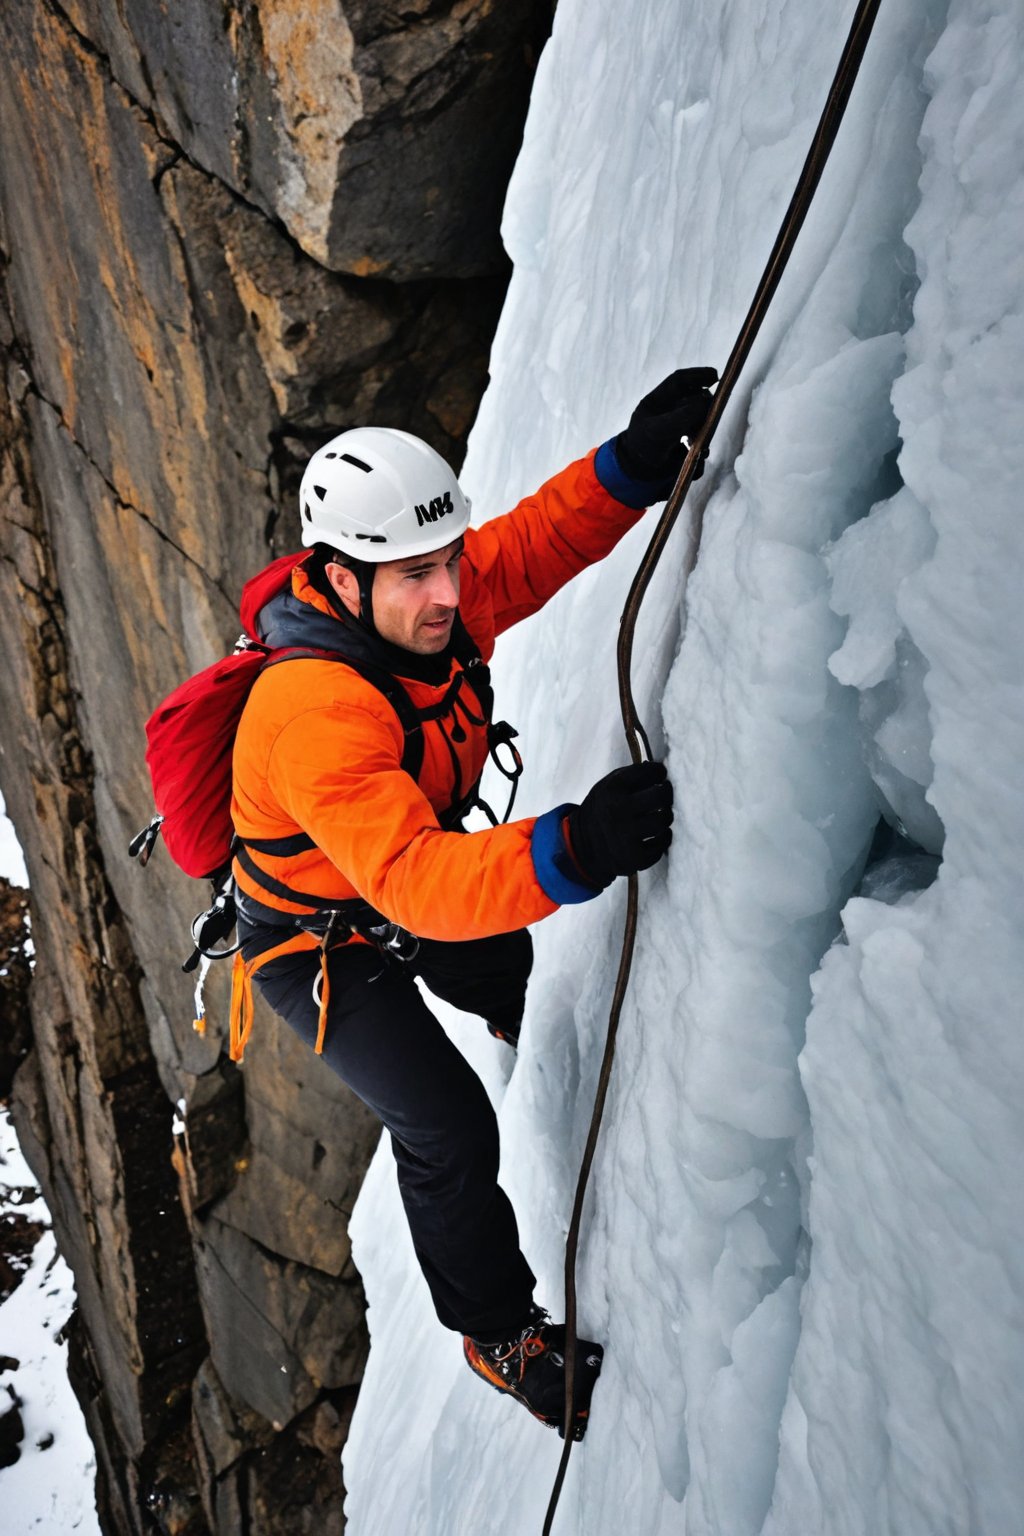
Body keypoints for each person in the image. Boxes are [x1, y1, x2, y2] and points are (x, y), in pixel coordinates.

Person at [230, 368, 716, 1437]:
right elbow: (416, 881)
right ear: (341, 580)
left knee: (496, 963)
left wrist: (631, 465)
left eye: (445, 563)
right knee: (444, 1123)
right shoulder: (314, 711)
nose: (446, 593)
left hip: (401, 884)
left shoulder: (418, 609)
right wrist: (576, 845)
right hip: (317, 946)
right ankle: (498, 1335)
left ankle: (507, 1008)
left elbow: (526, 549)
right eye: (414, 574)